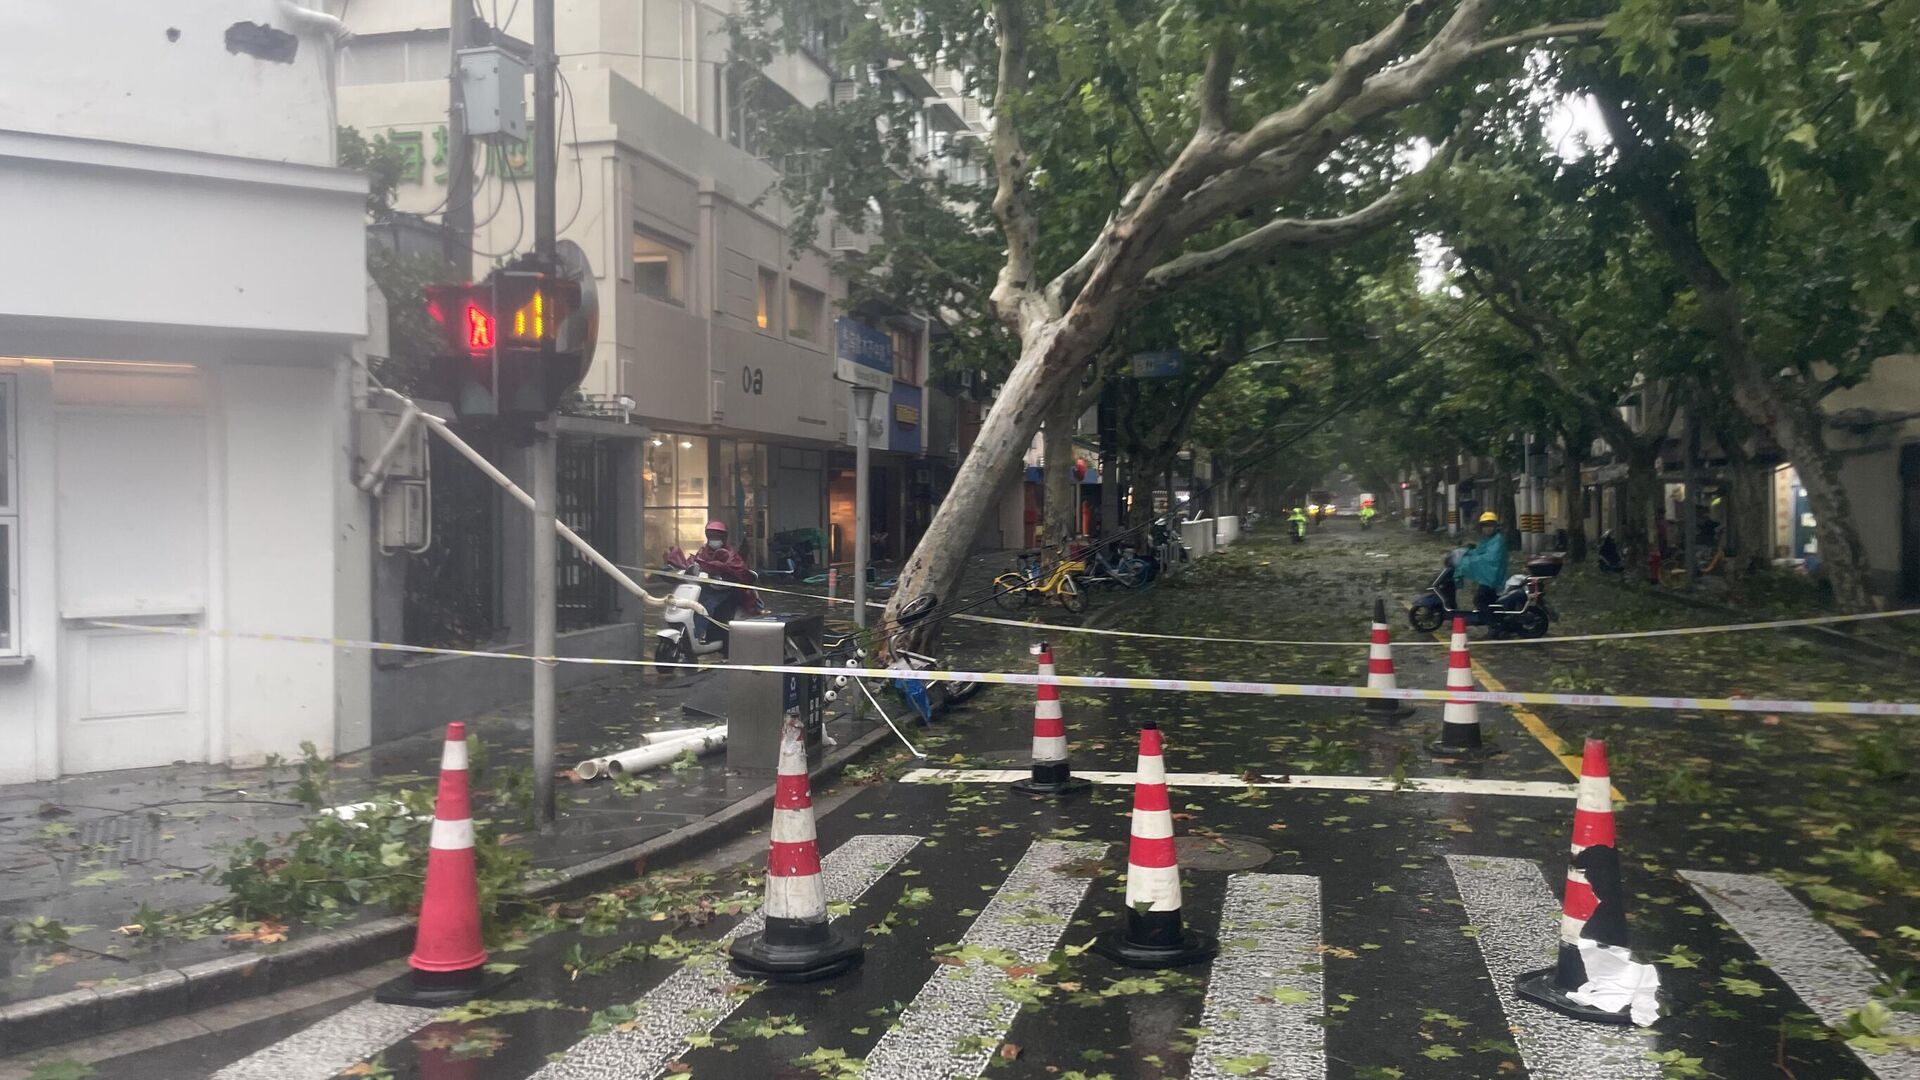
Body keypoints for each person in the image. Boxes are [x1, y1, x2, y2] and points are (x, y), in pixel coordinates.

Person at [690, 520, 759, 624]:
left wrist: (725, 570)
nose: (715, 539)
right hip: (706, 589)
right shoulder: (703, 551)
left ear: (724, 537)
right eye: (712, 536)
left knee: (710, 606)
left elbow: (741, 572)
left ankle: (705, 634)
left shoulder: (731, 554)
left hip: (728, 591)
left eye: (718, 536)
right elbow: (693, 563)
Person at [1452, 510, 1510, 612]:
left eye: (1490, 525)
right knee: (1488, 600)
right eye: (1485, 526)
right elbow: (1479, 551)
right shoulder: (1488, 539)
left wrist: (1466, 562)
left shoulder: (1498, 540)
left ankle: (1493, 624)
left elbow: (1488, 559)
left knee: (1480, 600)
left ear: (1495, 526)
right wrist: (1466, 552)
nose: (1487, 528)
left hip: (1493, 577)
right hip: (1488, 578)